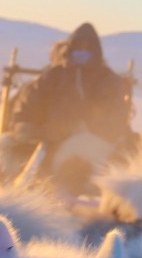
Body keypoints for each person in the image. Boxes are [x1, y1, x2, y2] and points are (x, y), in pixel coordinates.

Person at [10, 22, 134, 192]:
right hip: (49, 139)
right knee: (24, 167)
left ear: (95, 51)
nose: (82, 51)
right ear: (70, 48)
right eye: (78, 47)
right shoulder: (53, 76)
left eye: (87, 48)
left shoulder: (108, 80)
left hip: (92, 141)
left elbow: (115, 115)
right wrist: (24, 125)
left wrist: (85, 127)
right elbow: (29, 103)